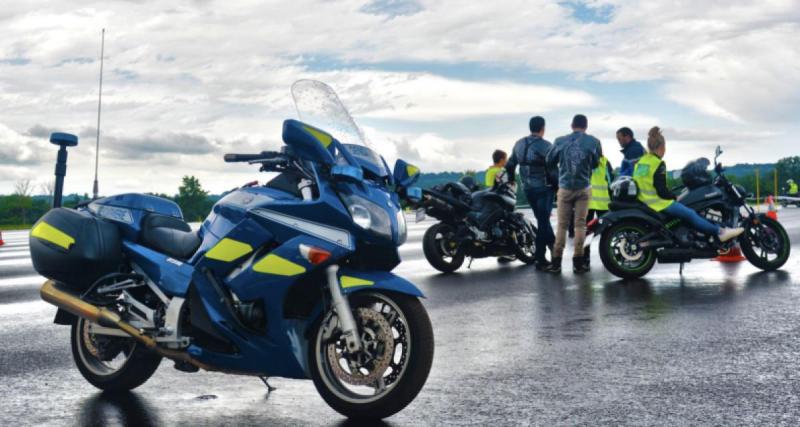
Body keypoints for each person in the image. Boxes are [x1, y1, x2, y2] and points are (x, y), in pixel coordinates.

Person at [633, 126, 743, 242]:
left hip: (643, 201)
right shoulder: (658, 163)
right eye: (665, 147)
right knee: (690, 214)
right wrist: (673, 196)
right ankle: (720, 232)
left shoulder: (642, 162)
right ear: (661, 147)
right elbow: (661, 190)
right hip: (657, 203)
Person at [545, 114, 601, 274]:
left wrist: (559, 173)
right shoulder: (593, 142)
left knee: (562, 225)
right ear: (586, 126)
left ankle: (556, 263)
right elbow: (596, 162)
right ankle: (578, 262)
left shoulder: (559, 141)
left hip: (565, 187)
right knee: (580, 225)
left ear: (572, 125)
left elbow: (549, 161)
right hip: (583, 187)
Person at [506, 116, 556, 270]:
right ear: (543, 128)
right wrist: (559, 187)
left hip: (527, 188)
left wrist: (511, 180)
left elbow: (510, 164)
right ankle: (541, 257)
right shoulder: (546, 145)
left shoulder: (519, 144)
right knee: (542, 222)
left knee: (543, 220)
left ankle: (553, 250)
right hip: (544, 188)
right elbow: (554, 170)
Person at [582, 148, 614, 268]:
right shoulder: (605, 162)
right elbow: (611, 182)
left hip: (587, 203)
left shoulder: (583, 162)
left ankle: (585, 261)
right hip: (603, 203)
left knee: (587, 233)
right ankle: (610, 258)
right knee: (607, 232)